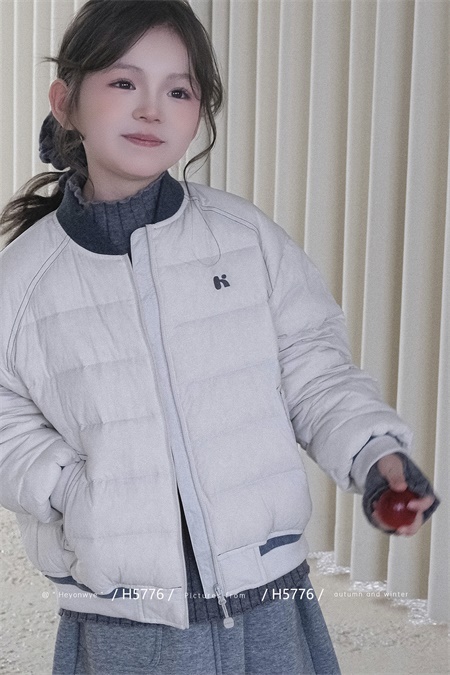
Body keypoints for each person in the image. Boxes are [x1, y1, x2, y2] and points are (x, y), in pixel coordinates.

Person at [0, 1, 439, 674]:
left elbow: (313, 368)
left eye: (178, 91)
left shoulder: (244, 238)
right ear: (66, 103)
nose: (152, 109)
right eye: (123, 82)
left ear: (198, 112)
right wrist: (72, 488)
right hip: (126, 607)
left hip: (268, 584)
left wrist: (374, 451)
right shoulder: (25, 279)